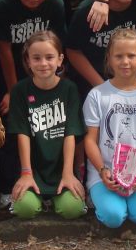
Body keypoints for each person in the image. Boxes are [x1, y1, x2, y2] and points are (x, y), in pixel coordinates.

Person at [83, 29, 136, 229]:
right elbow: (90, 140)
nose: (125, 61)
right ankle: (100, 198)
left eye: (131, 55)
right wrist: (102, 170)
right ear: (109, 58)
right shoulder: (97, 95)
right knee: (113, 217)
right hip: (106, 172)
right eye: (118, 56)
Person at [7, 32, 87, 219]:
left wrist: (68, 173)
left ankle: (55, 198)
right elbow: (22, 134)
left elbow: (70, 133)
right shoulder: (20, 90)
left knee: (72, 209)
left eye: (49, 57)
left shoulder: (69, 89)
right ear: (28, 61)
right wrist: (26, 173)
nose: (43, 63)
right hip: (33, 170)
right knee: (24, 209)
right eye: (36, 58)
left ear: (60, 59)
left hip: (61, 169)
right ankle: (39, 199)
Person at [0, 0, 67, 114]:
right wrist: (13, 91)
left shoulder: (55, 3)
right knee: (9, 111)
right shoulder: (4, 4)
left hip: (42, 65)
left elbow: (57, 45)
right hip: (10, 68)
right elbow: (4, 50)